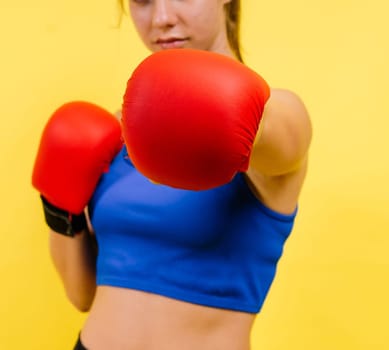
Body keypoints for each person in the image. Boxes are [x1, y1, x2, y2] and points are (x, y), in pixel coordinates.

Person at [32, 0, 312, 349]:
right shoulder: (118, 134)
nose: (161, 18)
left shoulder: (270, 118)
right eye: (142, 1)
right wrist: (59, 206)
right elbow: (82, 294)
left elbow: (284, 139)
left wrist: (232, 112)